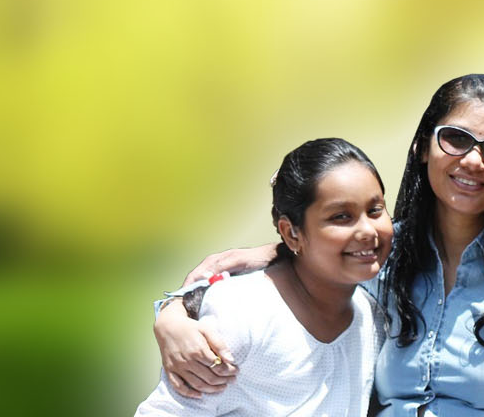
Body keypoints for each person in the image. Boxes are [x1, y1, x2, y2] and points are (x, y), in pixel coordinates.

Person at [153, 74, 484, 416]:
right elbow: (297, 271)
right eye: (456, 139)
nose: (474, 161)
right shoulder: (378, 260)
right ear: (423, 146)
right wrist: (171, 315)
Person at [136, 138, 390, 416]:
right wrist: (172, 312)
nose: (368, 230)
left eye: (375, 210)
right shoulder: (244, 312)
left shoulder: (373, 318)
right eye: (341, 216)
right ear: (292, 233)